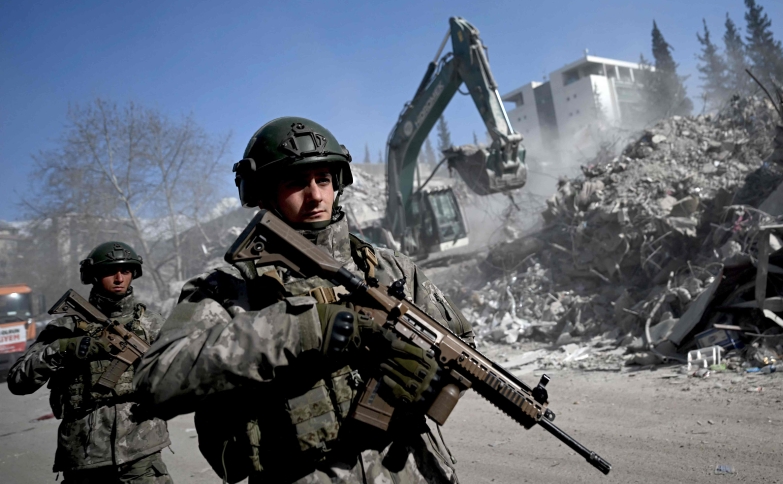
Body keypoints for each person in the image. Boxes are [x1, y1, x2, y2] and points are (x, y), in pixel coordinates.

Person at [134, 117, 475, 484]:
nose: (315, 195)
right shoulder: (229, 289)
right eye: (296, 183)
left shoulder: (391, 269)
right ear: (264, 195)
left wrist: (429, 375)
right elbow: (157, 378)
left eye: (323, 180)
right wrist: (302, 329)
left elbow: (462, 348)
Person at [7, 241, 172, 483]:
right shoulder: (65, 328)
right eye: (109, 271)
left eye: (126, 271)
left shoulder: (152, 324)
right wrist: (65, 348)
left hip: (142, 453)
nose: (118, 278)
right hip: (83, 455)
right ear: (93, 276)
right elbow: (18, 381)